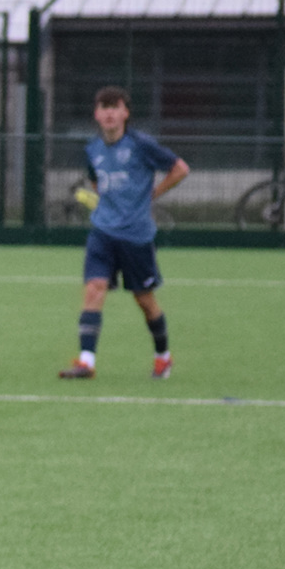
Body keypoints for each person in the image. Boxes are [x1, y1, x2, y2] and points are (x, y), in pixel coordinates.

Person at [62, 85, 187, 380]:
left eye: (114, 107)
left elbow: (180, 169)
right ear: (96, 114)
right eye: (103, 107)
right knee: (94, 289)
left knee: (144, 300)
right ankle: (86, 362)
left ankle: (163, 357)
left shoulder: (141, 145)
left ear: (125, 113)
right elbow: (96, 182)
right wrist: (109, 205)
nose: (109, 113)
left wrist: (153, 194)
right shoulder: (92, 149)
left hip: (136, 236)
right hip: (102, 232)